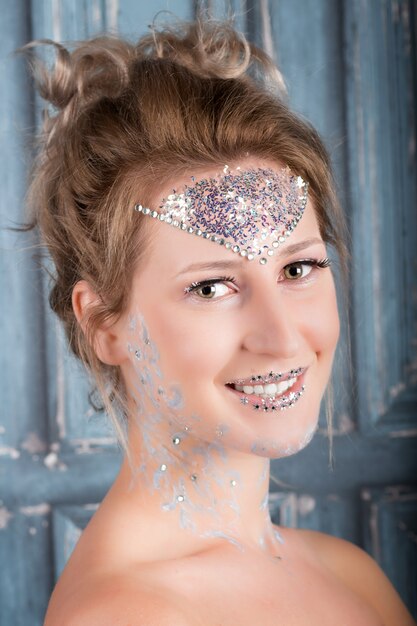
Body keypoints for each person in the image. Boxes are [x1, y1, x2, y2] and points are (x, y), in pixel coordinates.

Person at [25, 18, 415, 626]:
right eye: (211, 286)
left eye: (298, 269)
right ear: (104, 323)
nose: (283, 337)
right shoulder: (122, 616)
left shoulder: (350, 573)